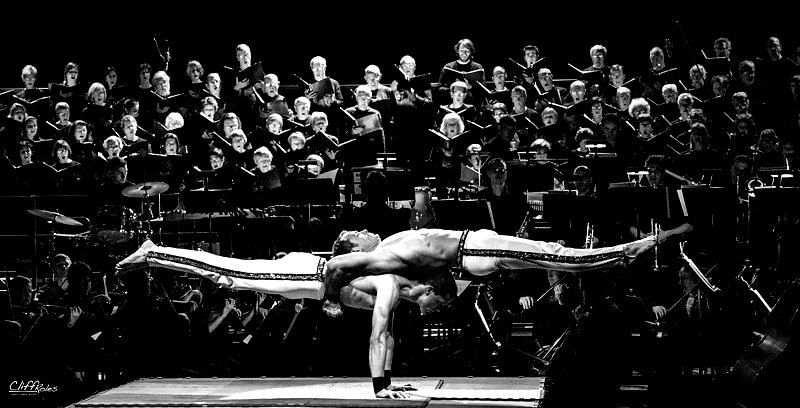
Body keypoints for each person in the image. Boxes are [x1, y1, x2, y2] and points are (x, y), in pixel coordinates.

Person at [116, 227, 656, 397]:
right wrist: (380, 385)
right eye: (434, 299)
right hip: (305, 273)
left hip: (310, 278)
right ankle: (154, 252)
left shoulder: (400, 281)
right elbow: (379, 330)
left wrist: (389, 378)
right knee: (228, 274)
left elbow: (389, 332)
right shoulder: (393, 282)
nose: (431, 306)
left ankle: (155, 256)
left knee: (228, 275)